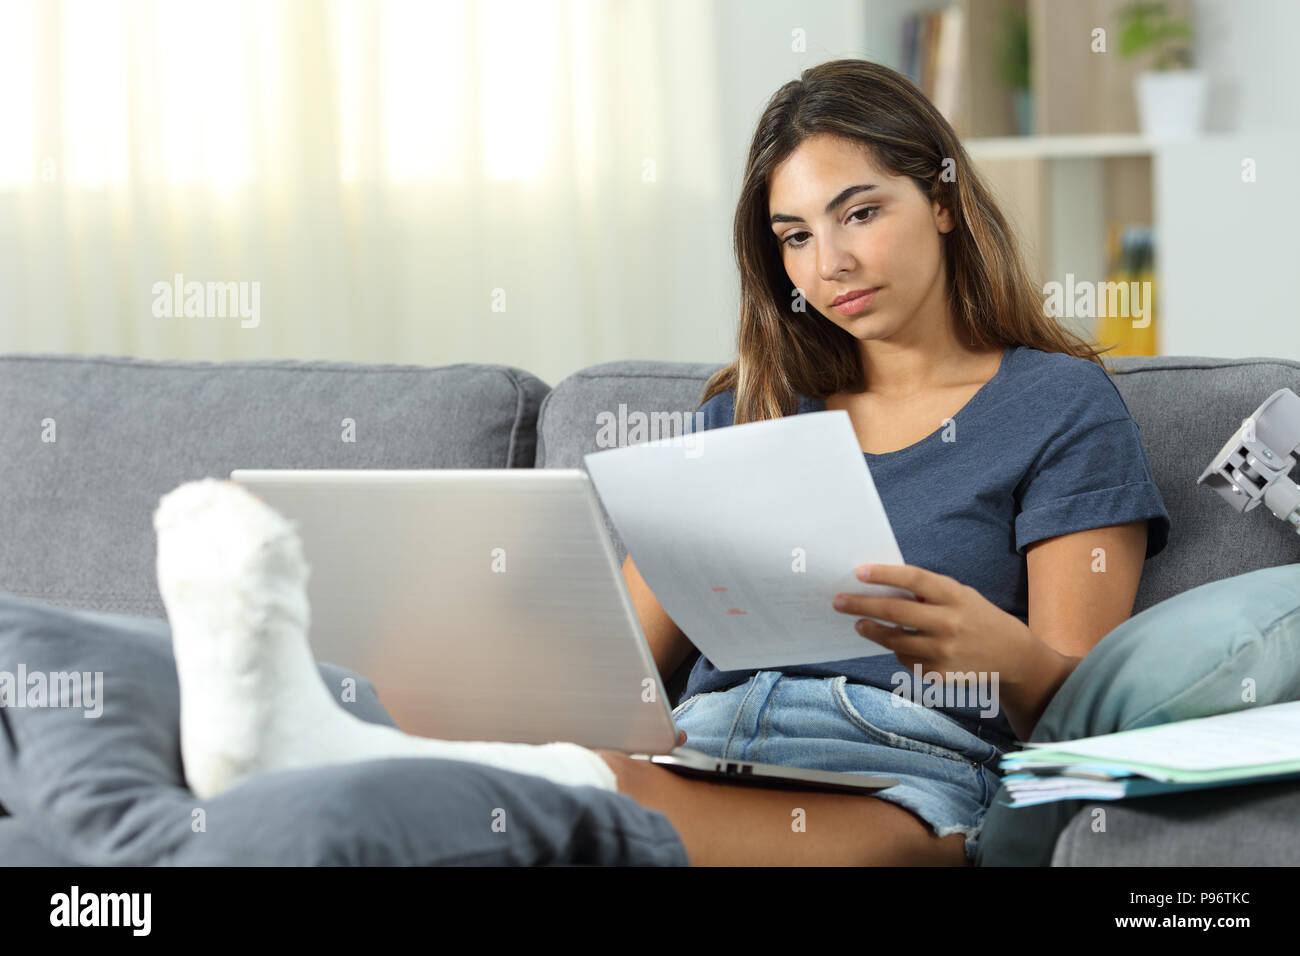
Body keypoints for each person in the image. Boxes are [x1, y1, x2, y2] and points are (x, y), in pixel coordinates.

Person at [157, 59, 1170, 868]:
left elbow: (1083, 719)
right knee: (553, 767)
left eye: (860, 212)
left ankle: (311, 755)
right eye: (795, 236)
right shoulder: (754, 410)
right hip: (709, 740)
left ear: (943, 201)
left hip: (901, 777)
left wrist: (994, 647)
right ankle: (313, 735)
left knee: (571, 797)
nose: (831, 265)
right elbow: (616, 665)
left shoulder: (1059, 405)